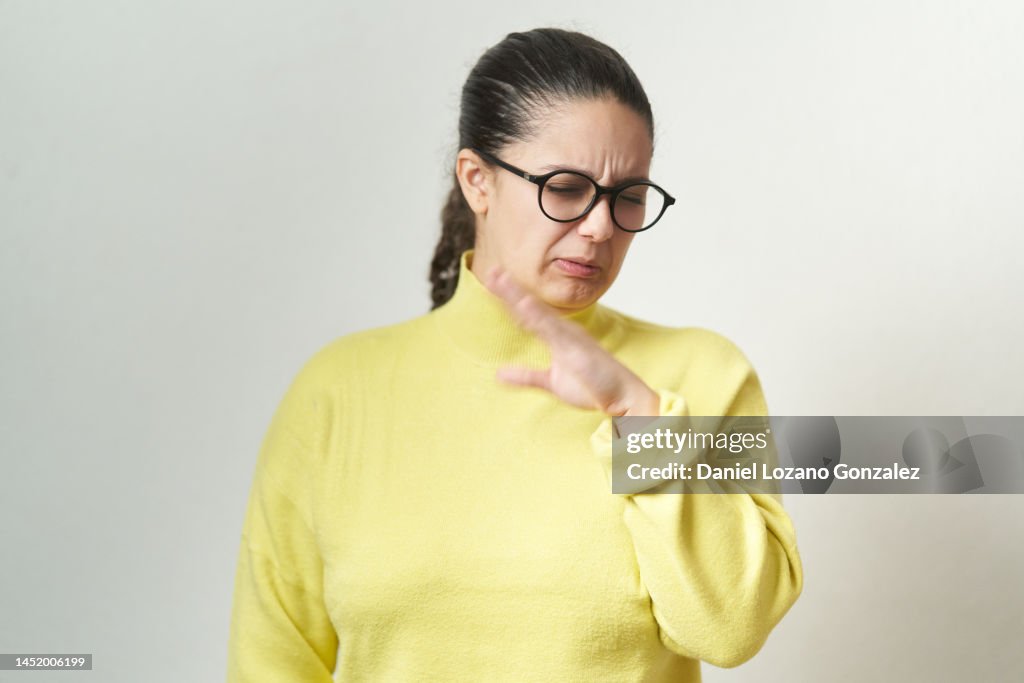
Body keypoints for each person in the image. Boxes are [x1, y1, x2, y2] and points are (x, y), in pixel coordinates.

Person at [226, 27, 803, 682]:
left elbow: (730, 628)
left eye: (629, 197)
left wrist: (635, 414)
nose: (600, 226)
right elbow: (273, 657)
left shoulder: (704, 375)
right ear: (477, 180)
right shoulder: (337, 390)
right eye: (565, 187)